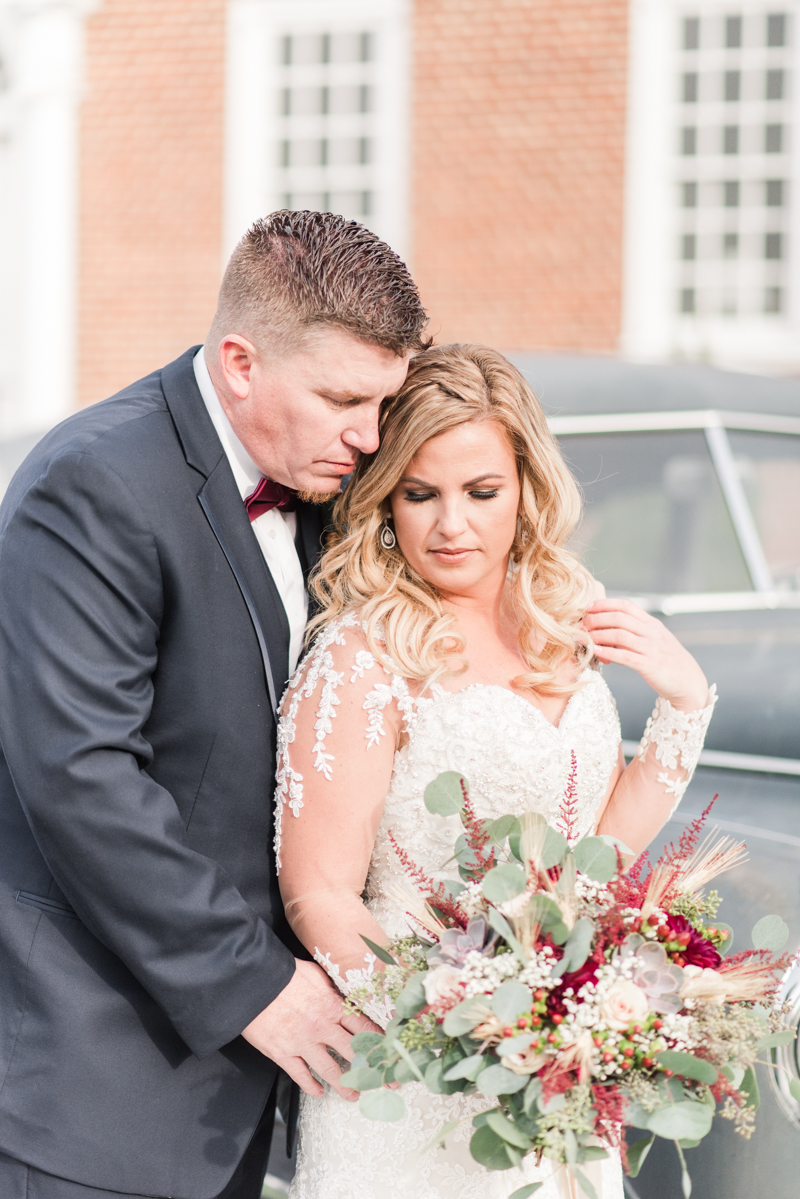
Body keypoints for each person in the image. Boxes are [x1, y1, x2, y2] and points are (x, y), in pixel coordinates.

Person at [0, 211, 428, 1199]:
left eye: (382, 402)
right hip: (95, 1093)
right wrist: (260, 988)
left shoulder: (330, 487)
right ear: (239, 362)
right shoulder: (93, 484)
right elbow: (82, 775)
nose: (369, 437)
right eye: (340, 399)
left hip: (244, 1103)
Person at [275, 344, 717, 1199]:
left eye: (482, 492)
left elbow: (598, 859)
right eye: (420, 494)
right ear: (385, 500)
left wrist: (685, 703)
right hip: (408, 1083)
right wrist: (459, 1018)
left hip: (546, 1085)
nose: (453, 525)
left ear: (526, 486)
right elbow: (317, 893)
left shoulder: (560, 622)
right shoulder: (363, 658)